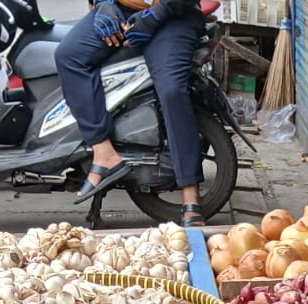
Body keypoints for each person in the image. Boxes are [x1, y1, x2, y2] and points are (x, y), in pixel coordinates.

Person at [55, 0, 209, 225]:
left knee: (172, 91)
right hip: (123, 10)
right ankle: (103, 151)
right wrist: (104, 5)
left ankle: (190, 194)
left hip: (172, 16)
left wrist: (157, 15)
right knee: (69, 56)